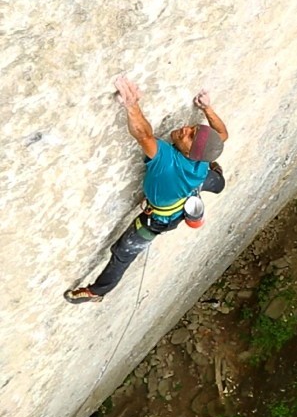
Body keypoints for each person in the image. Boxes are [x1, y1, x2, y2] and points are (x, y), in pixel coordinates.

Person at [64, 75, 228, 304]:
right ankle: (219, 180)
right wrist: (207, 109)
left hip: (159, 218)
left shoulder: (168, 163)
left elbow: (144, 135)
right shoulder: (203, 155)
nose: (184, 130)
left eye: (190, 136)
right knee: (214, 181)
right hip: (193, 185)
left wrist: (132, 105)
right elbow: (222, 135)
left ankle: (97, 292)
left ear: (192, 154)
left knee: (123, 252)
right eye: (192, 128)